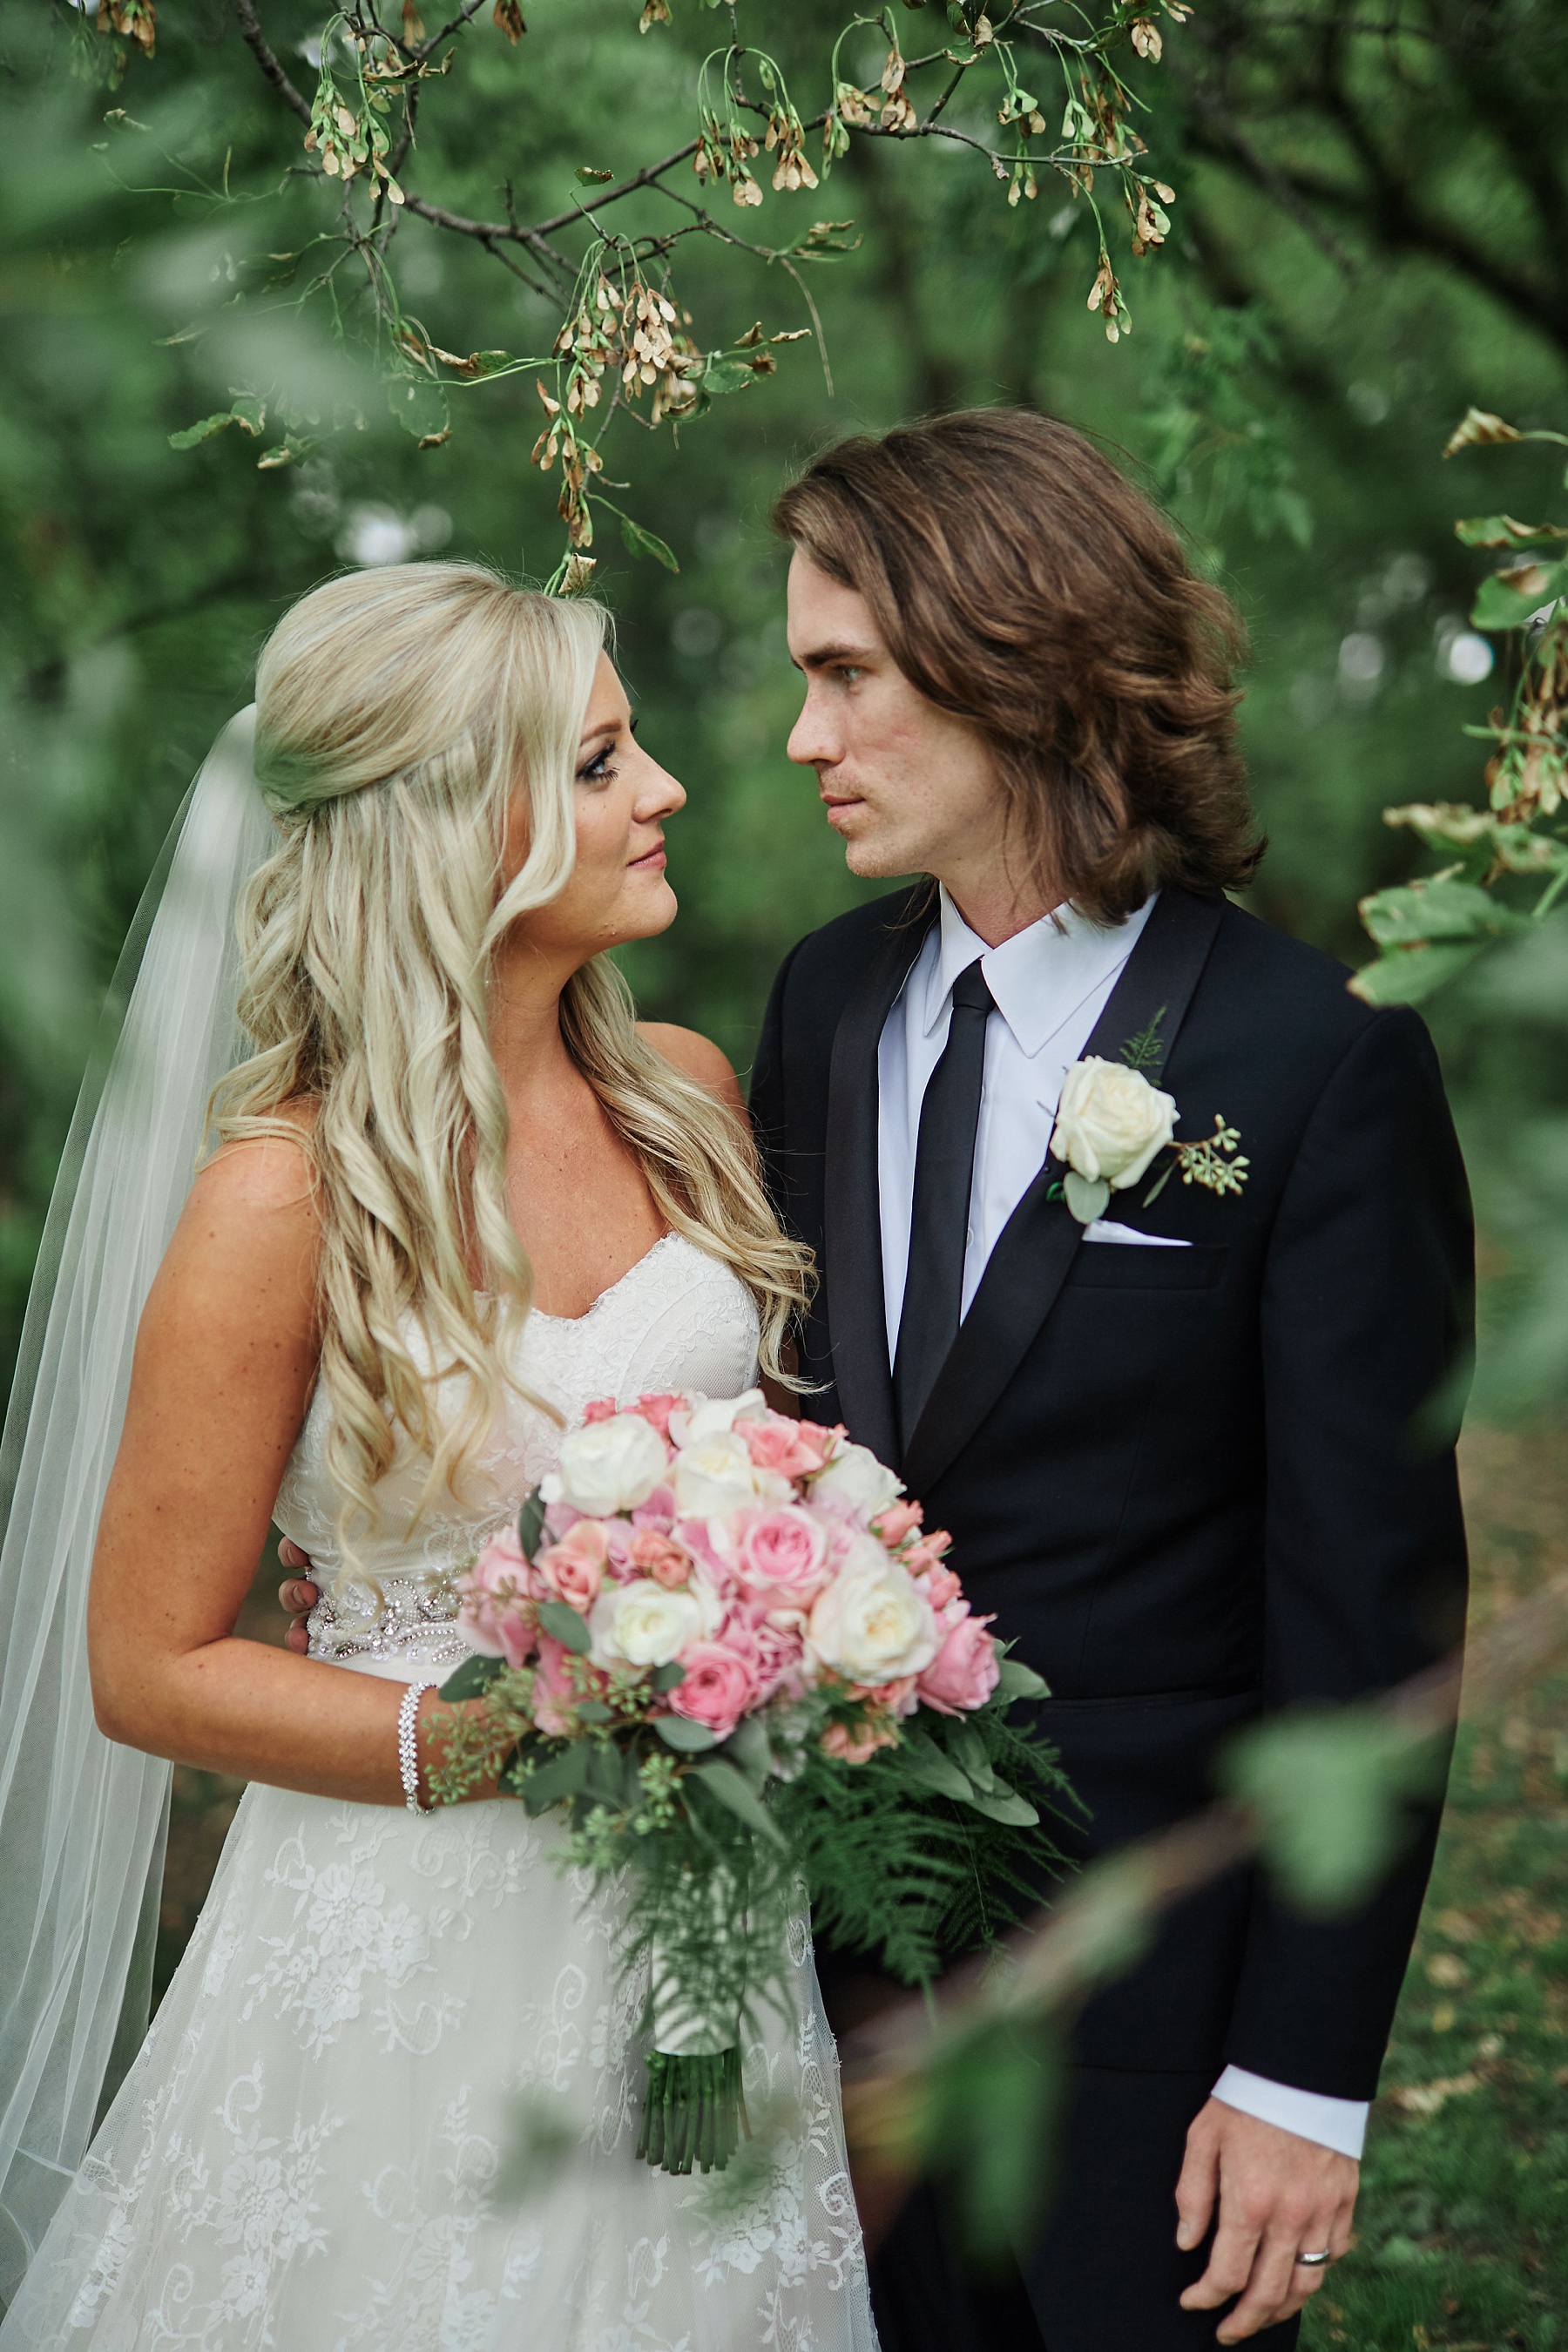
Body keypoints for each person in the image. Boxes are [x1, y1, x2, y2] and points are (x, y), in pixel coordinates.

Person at [0, 564, 877, 2349]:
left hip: (700, 1911)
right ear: (445, 825)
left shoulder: (690, 1100)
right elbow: (146, 1666)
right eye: (600, 763)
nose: (667, 792)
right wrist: (498, 1732)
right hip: (402, 1933)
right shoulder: (281, 1199)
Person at [746, 410, 1472, 2350]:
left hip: (1158, 2028)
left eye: (845, 678)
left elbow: (1371, 1619)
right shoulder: (817, 1004)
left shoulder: (1319, 1059)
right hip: (827, 1997)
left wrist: (1306, 2077)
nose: (802, 738)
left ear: (1013, 661)